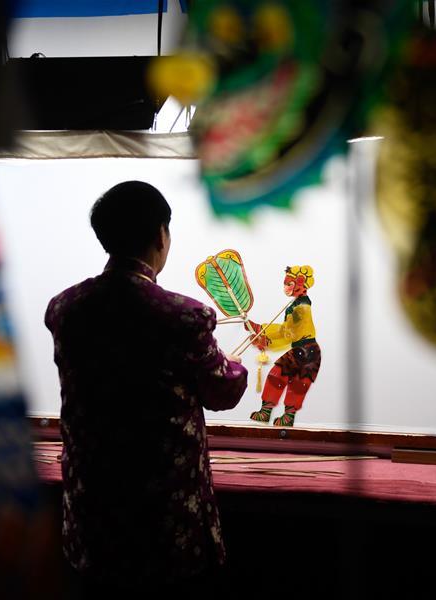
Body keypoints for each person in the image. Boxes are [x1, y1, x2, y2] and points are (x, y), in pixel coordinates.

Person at [44, 181, 248, 595]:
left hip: (92, 516)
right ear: (160, 235)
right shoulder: (183, 316)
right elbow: (222, 391)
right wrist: (236, 365)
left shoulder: (65, 308)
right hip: (164, 521)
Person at [249, 265, 321, 427]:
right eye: (285, 284)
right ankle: (267, 412)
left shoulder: (302, 309)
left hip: (307, 350)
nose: (285, 288)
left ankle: (285, 416)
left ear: (300, 283)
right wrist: (261, 331)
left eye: (289, 284)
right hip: (302, 349)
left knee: (297, 382)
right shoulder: (296, 306)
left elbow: (288, 334)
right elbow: (284, 331)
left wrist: (265, 339)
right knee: (278, 375)